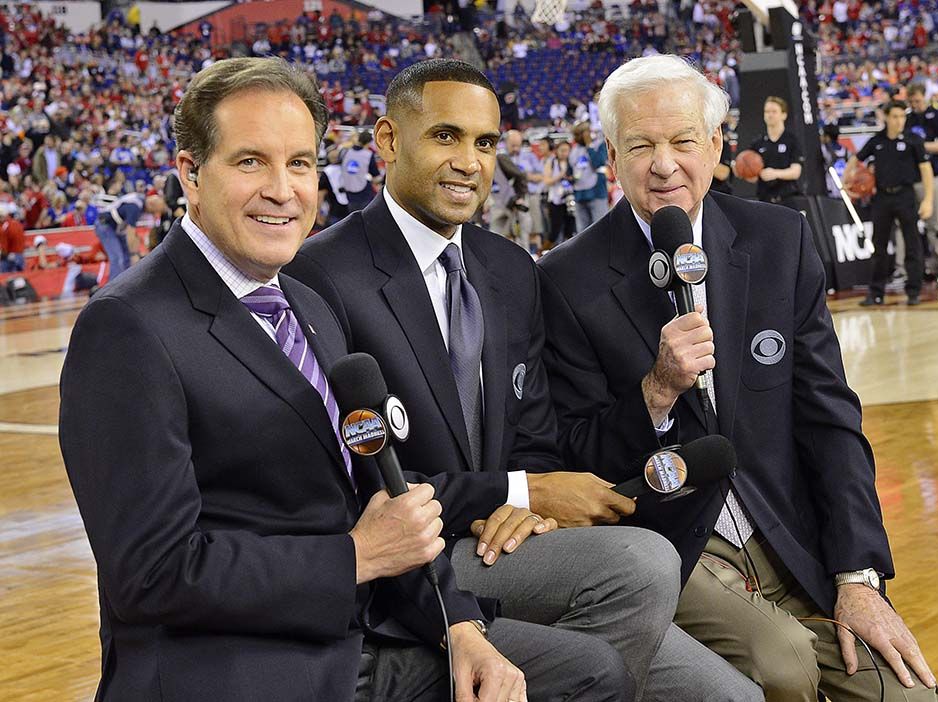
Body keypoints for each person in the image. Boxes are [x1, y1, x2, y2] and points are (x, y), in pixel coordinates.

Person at [59, 57, 627, 702]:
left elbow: (381, 498)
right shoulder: (127, 327)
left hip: (357, 632)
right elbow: (151, 574)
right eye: (251, 162)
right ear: (190, 173)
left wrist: (459, 623)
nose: (282, 190)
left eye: (300, 163)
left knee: (588, 671)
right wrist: (355, 557)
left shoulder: (307, 305)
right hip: (237, 665)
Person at [285, 58, 762, 702]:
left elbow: (534, 437)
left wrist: (523, 507)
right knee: (640, 564)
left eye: (484, 143)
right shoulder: (317, 275)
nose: (468, 161)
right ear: (389, 140)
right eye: (445, 136)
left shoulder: (508, 268)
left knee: (734, 698)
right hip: (409, 566)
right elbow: (357, 478)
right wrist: (513, 492)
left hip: (508, 546)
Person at [538, 54, 938, 702]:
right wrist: (657, 391)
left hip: (786, 530)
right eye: (641, 145)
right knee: (783, 666)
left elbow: (829, 419)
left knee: (912, 695)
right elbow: (579, 458)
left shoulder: (779, 238)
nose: (664, 164)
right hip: (673, 544)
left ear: (718, 145)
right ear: (612, 155)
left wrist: (858, 576)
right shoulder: (566, 278)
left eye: (682, 141)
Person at [846, 100, 933, 306]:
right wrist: (846, 178)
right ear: (886, 117)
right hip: (882, 197)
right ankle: (876, 292)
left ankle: (913, 291)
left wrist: (928, 199)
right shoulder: (876, 141)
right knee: (879, 246)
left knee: (912, 244)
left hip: (906, 195)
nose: (899, 121)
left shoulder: (913, 140)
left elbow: (926, 170)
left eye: (902, 116)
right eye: (895, 116)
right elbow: (855, 159)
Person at [906, 84, 938, 273]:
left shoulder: (936, 115)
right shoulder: (907, 118)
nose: (915, 104)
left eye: (917, 100)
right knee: (908, 225)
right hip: (911, 178)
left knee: (936, 224)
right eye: (911, 101)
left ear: (924, 97)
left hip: (934, 175)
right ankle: (910, 268)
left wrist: (922, 147)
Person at [739, 96, 804, 205]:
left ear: (784, 115)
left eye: (774, 111)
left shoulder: (791, 140)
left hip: (788, 197)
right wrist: (745, 171)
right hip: (764, 198)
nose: (770, 115)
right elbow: (753, 176)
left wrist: (775, 173)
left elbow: (795, 172)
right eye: (767, 111)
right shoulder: (758, 142)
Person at [93, 189, 162, 281]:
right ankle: (113, 290)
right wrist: (134, 254)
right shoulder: (135, 206)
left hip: (117, 227)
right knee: (117, 258)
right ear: (150, 204)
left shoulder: (139, 200)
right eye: (153, 211)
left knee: (126, 257)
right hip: (105, 225)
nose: (152, 213)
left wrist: (134, 252)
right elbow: (130, 232)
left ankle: (125, 284)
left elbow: (132, 234)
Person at [569, 120, 609, 232]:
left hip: (596, 192)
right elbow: (570, 171)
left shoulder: (599, 145)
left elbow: (598, 162)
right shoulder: (573, 150)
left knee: (601, 230)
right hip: (579, 194)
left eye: (581, 133)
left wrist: (589, 145)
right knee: (582, 232)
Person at [339, 129, 381, 212]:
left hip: (348, 191)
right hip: (364, 192)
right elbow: (376, 176)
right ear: (368, 143)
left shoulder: (345, 152)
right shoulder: (368, 155)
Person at [820, 123, 851, 199]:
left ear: (827, 137)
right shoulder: (846, 151)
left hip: (830, 188)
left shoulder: (823, 149)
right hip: (844, 189)